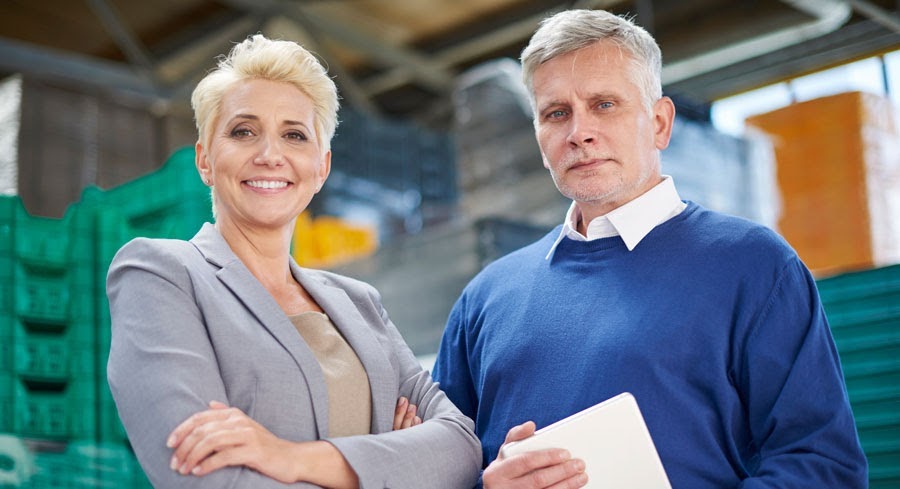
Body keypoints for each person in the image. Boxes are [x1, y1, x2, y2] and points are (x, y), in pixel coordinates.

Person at [433, 9, 867, 489]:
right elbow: (435, 469)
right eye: (557, 113)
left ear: (659, 123)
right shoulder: (484, 299)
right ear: (539, 137)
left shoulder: (753, 266)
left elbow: (824, 467)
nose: (579, 132)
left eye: (604, 105)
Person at [106, 34, 481, 488]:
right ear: (205, 160)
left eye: (294, 135)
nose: (269, 155)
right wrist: (396, 466)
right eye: (243, 131)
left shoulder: (359, 303)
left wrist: (292, 458)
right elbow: (209, 477)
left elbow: (460, 448)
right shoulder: (161, 274)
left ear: (320, 168)